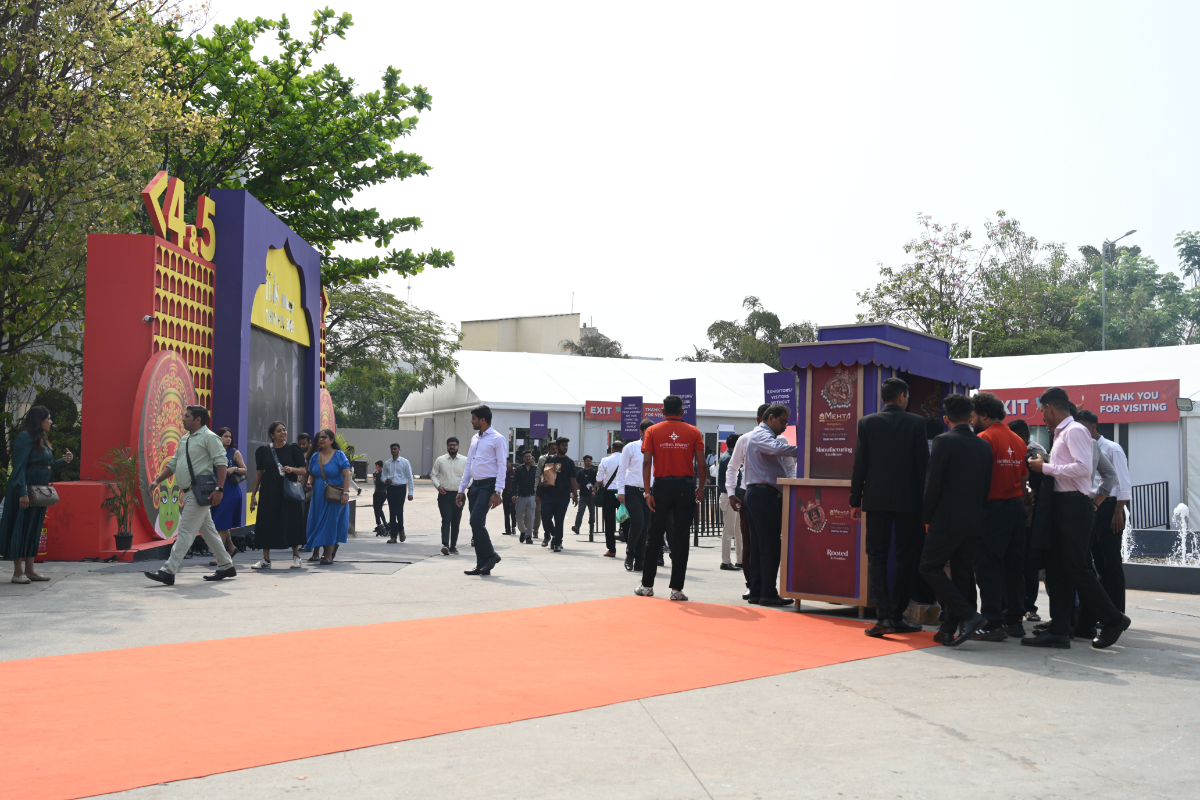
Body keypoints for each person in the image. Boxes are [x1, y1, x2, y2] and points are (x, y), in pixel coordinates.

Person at [1024, 387, 1131, 649]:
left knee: (1076, 567)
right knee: (1057, 569)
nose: (1042, 417)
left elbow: (1083, 469)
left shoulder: (1074, 431)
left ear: (1049, 407)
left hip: (1074, 506)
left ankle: (1113, 619)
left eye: (1042, 411)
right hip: (1063, 505)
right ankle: (1060, 630)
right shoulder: (1062, 433)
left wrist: (1045, 467)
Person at [849, 377, 930, 637]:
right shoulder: (916, 423)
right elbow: (923, 467)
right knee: (906, 558)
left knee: (876, 556)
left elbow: (860, 464)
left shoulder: (867, 423)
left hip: (876, 500)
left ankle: (883, 618)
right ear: (902, 396)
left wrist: (855, 500)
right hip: (910, 501)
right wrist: (926, 504)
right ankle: (897, 615)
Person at [919, 394, 991, 646]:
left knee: (929, 567)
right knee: (962, 573)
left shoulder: (943, 441)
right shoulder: (984, 445)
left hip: (946, 518)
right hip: (974, 518)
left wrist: (927, 516)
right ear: (971, 417)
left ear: (945, 418)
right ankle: (948, 629)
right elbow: (986, 486)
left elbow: (933, 483)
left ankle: (968, 615)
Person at [143, 405, 235, 585]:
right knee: (208, 532)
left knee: (185, 531)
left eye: (187, 416)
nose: (183, 419)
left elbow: (221, 464)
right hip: (190, 492)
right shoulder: (185, 438)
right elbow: (173, 464)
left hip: (199, 492)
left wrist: (219, 489)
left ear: (198, 419)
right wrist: (156, 481)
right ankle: (226, 565)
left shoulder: (210, 437)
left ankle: (168, 571)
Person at [968, 392, 1030, 641]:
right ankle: (1014, 620)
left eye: (973, 415)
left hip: (992, 510)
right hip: (1016, 508)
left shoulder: (984, 439)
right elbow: (1024, 479)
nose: (971, 420)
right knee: (1014, 567)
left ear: (983, 415)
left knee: (988, 566)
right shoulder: (1018, 439)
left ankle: (991, 621)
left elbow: (976, 480)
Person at [635, 395, 706, 601]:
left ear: (662, 412)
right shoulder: (694, 431)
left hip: (661, 487)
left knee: (654, 536)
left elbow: (647, 462)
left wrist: (647, 492)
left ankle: (647, 586)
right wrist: (701, 488)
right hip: (685, 487)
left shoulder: (652, 431)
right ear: (682, 412)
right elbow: (702, 464)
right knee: (681, 538)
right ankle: (676, 589)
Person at [1074, 409, 1132, 637]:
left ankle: (1117, 613)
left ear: (1094, 427)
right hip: (1094, 506)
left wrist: (1118, 512)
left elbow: (1123, 483)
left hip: (1110, 507)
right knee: (1096, 562)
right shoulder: (1083, 449)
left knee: (1111, 562)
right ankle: (1104, 613)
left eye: (1083, 427)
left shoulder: (1112, 448)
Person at [2, 405, 73, 583]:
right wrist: (22, 492)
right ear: (38, 420)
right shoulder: (24, 437)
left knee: (34, 528)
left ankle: (30, 570)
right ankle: (18, 572)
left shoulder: (40, 438)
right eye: (48, 418)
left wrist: (63, 461)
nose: (51, 422)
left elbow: (46, 465)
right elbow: (19, 467)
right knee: (21, 526)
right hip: (25, 490)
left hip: (38, 492)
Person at [740, 405, 798, 607]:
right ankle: (768, 593)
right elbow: (777, 449)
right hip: (763, 494)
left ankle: (758, 592)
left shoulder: (761, 435)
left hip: (760, 494)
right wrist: (805, 451)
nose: (785, 426)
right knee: (769, 546)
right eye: (782, 421)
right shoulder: (761, 435)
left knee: (759, 546)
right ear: (771, 417)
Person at [247, 421, 308, 569]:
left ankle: (296, 557)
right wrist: (253, 495)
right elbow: (259, 473)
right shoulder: (263, 450)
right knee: (266, 522)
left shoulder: (293, 448)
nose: (283, 432)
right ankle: (266, 559)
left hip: (288, 491)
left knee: (292, 521)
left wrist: (291, 469)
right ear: (272, 435)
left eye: (284, 430)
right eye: (279, 431)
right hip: (268, 491)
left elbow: (303, 470)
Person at [457, 405, 506, 576]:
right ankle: (482, 565)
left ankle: (491, 555)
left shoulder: (497, 439)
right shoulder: (475, 439)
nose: (471, 421)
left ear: (482, 420)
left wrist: (497, 492)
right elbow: (469, 464)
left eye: (474, 418)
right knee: (476, 525)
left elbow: (502, 466)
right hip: (475, 486)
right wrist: (461, 489)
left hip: (488, 485)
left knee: (476, 521)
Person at [728, 405, 770, 599]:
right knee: (749, 541)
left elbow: (789, 468)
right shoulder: (745, 439)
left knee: (770, 542)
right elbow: (733, 467)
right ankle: (752, 584)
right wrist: (731, 493)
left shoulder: (780, 440)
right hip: (750, 492)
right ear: (759, 419)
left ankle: (768, 586)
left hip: (774, 493)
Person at [1008, 418, 1048, 621]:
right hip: (1017, 510)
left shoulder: (1035, 453)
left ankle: (1029, 606)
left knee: (1029, 563)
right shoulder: (1013, 450)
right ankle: (1014, 605)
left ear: (1023, 437)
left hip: (1031, 514)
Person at [303, 429, 352, 564]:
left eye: (324, 437)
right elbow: (312, 474)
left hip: (334, 494)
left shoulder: (339, 455)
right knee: (316, 520)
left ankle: (328, 555)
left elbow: (346, 475)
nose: (321, 439)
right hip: (318, 495)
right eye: (319, 438)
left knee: (330, 523)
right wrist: (309, 482)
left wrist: (346, 493)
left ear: (331, 440)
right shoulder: (315, 456)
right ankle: (316, 552)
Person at [617, 420, 653, 571]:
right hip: (632, 490)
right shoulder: (630, 447)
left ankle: (640, 560)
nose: (650, 434)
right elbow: (622, 469)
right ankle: (629, 554)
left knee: (645, 526)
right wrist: (621, 491)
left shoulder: (657, 448)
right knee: (638, 522)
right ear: (641, 432)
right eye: (647, 431)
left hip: (650, 492)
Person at [209, 427, 247, 565]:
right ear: (218, 438)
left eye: (230, 437)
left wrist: (234, 468)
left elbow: (245, 470)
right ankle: (231, 548)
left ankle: (217, 555)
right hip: (215, 490)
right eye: (225, 436)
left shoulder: (234, 452)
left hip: (230, 492)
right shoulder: (212, 452)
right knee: (220, 522)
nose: (228, 439)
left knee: (222, 522)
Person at [539, 437, 579, 552]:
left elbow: (573, 480)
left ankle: (557, 543)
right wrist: (542, 482)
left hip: (563, 496)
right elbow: (543, 474)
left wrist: (575, 495)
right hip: (548, 494)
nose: (565, 448)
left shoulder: (569, 462)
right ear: (557, 447)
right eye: (563, 445)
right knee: (545, 517)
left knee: (559, 520)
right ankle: (554, 534)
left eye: (566, 446)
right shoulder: (550, 459)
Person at [430, 437, 467, 555]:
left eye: (454, 445)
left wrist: (464, 488)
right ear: (447, 446)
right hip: (444, 495)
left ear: (458, 446)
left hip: (459, 495)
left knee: (456, 521)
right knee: (446, 519)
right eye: (450, 445)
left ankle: (453, 546)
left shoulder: (465, 460)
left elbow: (470, 476)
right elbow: (433, 475)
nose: (452, 447)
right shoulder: (440, 460)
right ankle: (445, 544)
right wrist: (438, 486)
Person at [717, 433, 742, 571]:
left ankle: (740, 560)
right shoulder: (729, 458)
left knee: (738, 531)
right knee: (729, 531)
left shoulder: (729, 456)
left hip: (733, 496)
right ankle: (726, 561)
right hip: (730, 497)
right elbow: (731, 482)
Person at [381, 443, 414, 543]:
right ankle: (393, 536)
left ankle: (401, 530)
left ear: (399, 450)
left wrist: (411, 492)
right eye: (392, 449)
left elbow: (410, 477)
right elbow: (383, 476)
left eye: (395, 449)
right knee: (392, 512)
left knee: (399, 511)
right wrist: (385, 480)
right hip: (391, 488)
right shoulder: (387, 463)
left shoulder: (405, 462)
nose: (393, 450)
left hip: (401, 489)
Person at [595, 442, 624, 556]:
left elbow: (599, 479)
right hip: (623, 493)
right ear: (622, 449)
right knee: (625, 520)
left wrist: (603, 485)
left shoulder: (605, 460)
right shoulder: (626, 459)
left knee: (609, 522)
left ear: (612, 449)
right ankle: (630, 549)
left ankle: (611, 549)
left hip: (609, 494)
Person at [513, 450, 539, 543]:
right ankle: (523, 531)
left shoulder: (536, 469)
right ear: (523, 458)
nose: (528, 458)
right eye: (526, 456)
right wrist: (513, 494)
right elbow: (514, 482)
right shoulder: (519, 469)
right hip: (521, 496)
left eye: (530, 456)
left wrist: (539, 495)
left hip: (532, 496)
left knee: (531, 517)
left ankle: (528, 536)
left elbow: (539, 481)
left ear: (532, 457)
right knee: (519, 517)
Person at [572, 455, 598, 536]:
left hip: (591, 496)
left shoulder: (593, 472)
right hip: (583, 495)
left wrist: (594, 491)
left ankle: (591, 528)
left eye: (590, 461)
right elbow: (577, 483)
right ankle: (577, 527)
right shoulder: (580, 472)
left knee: (592, 512)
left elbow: (596, 482)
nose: (589, 462)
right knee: (580, 511)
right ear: (584, 462)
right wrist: (574, 493)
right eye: (587, 461)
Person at [534, 442, 555, 542]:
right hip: (545, 490)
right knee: (545, 515)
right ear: (548, 449)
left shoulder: (562, 459)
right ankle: (547, 535)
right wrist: (536, 491)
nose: (555, 451)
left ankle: (557, 538)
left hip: (558, 491)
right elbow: (538, 475)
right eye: (552, 449)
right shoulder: (542, 459)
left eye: (556, 449)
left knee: (558, 517)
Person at [502, 457, 517, 535]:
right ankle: (507, 530)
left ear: (510, 463)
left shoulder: (514, 471)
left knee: (513, 511)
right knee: (506, 512)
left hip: (513, 494)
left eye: (507, 462)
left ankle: (513, 527)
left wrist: (516, 494)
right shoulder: (502, 472)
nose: (505, 464)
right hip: (505, 494)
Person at [371, 460, 387, 535]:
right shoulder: (385, 473)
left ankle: (379, 524)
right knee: (380, 509)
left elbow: (376, 483)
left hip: (378, 493)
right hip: (384, 493)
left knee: (376, 509)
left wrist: (373, 477)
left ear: (377, 465)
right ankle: (385, 523)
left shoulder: (377, 473)